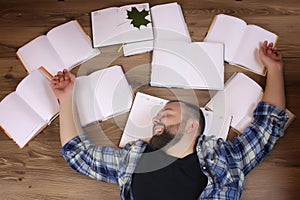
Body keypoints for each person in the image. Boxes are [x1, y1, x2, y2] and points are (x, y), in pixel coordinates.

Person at [51, 41, 289, 200]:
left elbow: (268, 124)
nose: (157, 118)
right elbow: (78, 155)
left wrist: (274, 69)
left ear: (193, 125)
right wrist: (66, 98)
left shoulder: (227, 159)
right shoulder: (133, 161)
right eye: (162, 114)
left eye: (167, 112)